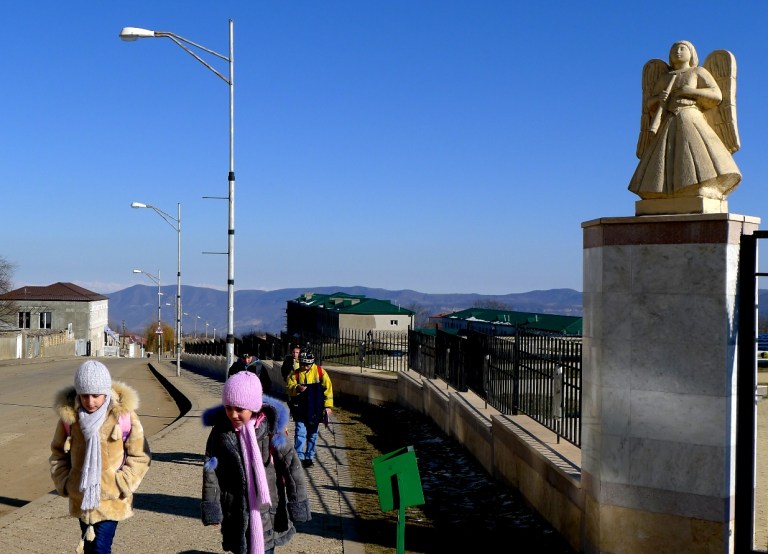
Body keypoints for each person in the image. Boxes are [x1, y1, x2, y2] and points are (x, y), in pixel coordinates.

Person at [201, 371, 311, 554]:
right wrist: (212, 508)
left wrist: (297, 502)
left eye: (239, 409)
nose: (233, 414)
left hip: (268, 509)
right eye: (228, 408)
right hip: (235, 510)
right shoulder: (220, 433)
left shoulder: (272, 430)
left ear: (253, 407)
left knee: (266, 548)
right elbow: (211, 473)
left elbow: (292, 466)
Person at [49, 360, 151, 554]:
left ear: (105, 391)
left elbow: (140, 455)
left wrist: (123, 482)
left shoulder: (122, 416)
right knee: (89, 547)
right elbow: (57, 453)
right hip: (82, 499)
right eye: (85, 395)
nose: (90, 401)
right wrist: (65, 481)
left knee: (101, 548)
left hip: (111, 500)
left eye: (96, 395)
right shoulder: (71, 418)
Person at [629, 40, 741, 203]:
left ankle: (700, 186)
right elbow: (649, 104)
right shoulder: (665, 77)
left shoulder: (697, 71)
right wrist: (658, 99)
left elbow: (717, 95)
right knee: (665, 159)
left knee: (696, 153)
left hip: (690, 116)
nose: (678, 51)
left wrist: (691, 91)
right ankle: (664, 191)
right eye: (674, 49)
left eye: (682, 48)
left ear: (691, 53)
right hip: (668, 119)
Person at [285, 350, 333, 468]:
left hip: (315, 409)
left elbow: (328, 389)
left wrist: (328, 406)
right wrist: (296, 388)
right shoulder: (295, 373)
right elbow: (288, 387)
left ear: (312, 363)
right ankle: (299, 457)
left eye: (307, 365)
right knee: (300, 432)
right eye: (302, 364)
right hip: (300, 409)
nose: (304, 367)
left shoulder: (320, 372)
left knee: (312, 435)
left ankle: (309, 457)